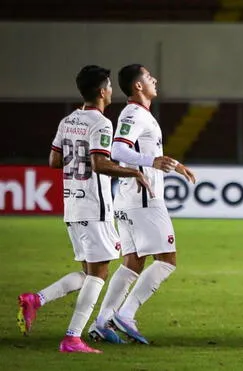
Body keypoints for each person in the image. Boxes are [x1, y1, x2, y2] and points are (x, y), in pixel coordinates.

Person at [17, 65, 152, 353]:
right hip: (94, 205)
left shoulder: (68, 121)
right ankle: (72, 337)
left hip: (72, 205)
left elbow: (54, 161)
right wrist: (133, 173)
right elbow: (100, 163)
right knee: (98, 275)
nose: (112, 91)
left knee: (90, 272)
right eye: (110, 87)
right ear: (102, 91)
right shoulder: (102, 124)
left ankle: (36, 299)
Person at [88, 64, 195, 345]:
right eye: (149, 78)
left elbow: (139, 152)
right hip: (144, 198)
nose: (154, 80)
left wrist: (170, 163)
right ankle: (127, 313)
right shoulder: (136, 114)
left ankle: (102, 321)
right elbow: (118, 149)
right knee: (167, 260)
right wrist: (152, 162)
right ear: (138, 86)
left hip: (128, 197)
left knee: (132, 263)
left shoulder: (138, 114)